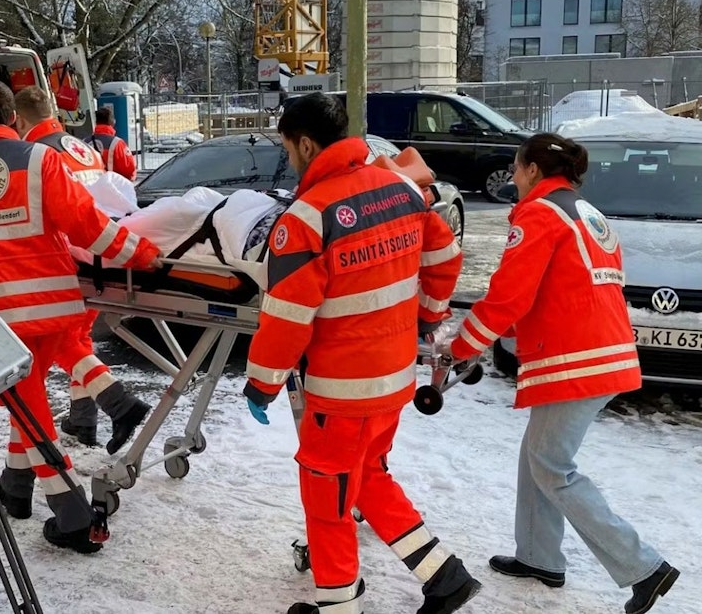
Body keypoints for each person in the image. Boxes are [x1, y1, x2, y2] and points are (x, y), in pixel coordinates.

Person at [243, 93, 479, 614]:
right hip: (391, 378)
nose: (291, 160)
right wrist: (427, 315)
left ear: (305, 143)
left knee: (326, 497)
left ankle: (338, 604)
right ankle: (445, 575)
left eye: (289, 149)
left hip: (340, 391)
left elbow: (286, 319)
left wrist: (261, 383)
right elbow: (445, 253)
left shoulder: (305, 219)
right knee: (367, 476)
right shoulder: (399, 187)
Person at [445, 133, 679, 614]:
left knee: (552, 465)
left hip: (576, 359)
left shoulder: (538, 214)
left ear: (533, 169)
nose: (512, 175)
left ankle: (644, 567)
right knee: (538, 455)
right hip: (602, 350)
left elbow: (510, 296)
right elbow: (551, 290)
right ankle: (539, 557)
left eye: (515, 166)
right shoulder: (586, 213)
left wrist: (462, 346)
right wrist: (484, 337)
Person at [0, 79, 161, 553]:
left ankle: (71, 511)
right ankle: (15, 489)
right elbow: (85, 224)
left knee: (27, 407)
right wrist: (142, 254)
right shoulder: (39, 160)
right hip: (53, 307)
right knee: (28, 404)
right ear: (13, 118)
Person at [14, 86, 150, 452]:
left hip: (68, 260)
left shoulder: (37, 154)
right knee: (80, 340)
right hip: (99, 260)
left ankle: (116, 404)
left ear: (21, 120)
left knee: (61, 343)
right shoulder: (83, 148)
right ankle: (82, 420)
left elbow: (63, 213)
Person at [86, 106, 137, 181]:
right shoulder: (117, 144)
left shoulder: (84, 142)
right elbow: (129, 169)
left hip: (90, 188)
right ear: (112, 121)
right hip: (112, 187)